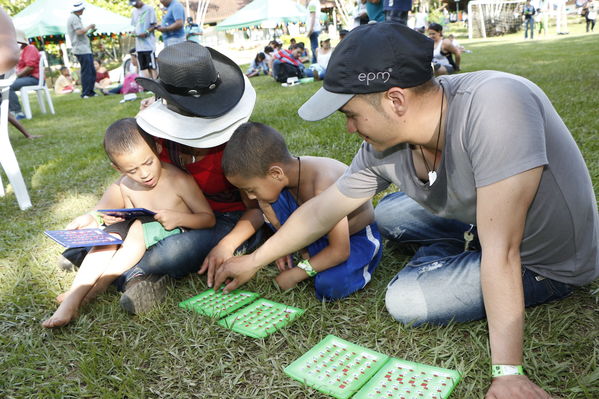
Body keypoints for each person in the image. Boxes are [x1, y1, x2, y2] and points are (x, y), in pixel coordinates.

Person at [214, 22, 598, 399]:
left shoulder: (499, 107)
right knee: (388, 215)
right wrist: (255, 261)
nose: (349, 128)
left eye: (350, 114)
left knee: (407, 300)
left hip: (545, 260)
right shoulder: (382, 146)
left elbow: (502, 252)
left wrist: (508, 373)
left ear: (395, 101)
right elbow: (321, 213)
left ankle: (448, 254)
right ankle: (458, 244)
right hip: (484, 221)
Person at [58, 41, 264, 315]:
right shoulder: (156, 141)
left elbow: (258, 211)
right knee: (125, 232)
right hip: (158, 219)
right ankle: (111, 265)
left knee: (172, 253)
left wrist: (225, 245)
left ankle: (126, 273)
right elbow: (126, 175)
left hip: (217, 220)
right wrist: (98, 214)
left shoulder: (236, 147)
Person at [43, 118, 215, 328]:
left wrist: (179, 217)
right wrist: (94, 218)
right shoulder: (125, 185)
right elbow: (100, 211)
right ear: (117, 168)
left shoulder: (179, 180)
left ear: (158, 149)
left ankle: (99, 285)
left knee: (136, 229)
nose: (144, 174)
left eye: (148, 162)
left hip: (171, 235)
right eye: (132, 170)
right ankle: (73, 298)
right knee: (110, 236)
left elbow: (208, 218)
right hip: (133, 239)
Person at [217, 122, 383, 300]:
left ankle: (356, 265)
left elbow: (340, 251)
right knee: (268, 198)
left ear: (275, 173)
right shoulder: (284, 178)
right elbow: (271, 207)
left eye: (251, 189)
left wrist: (296, 273)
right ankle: (308, 253)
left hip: (353, 239)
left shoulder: (322, 184)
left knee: (330, 284)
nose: (250, 197)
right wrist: (281, 248)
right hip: (318, 235)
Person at [8, 29, 40, 120]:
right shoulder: (19, 51)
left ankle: (18, 112)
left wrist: (16, 76)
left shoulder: (30, 48)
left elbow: (30, 67)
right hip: (25, 77)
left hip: (34, 78)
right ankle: (9, 112)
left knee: (8, 85)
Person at [67, 1, 96, 98]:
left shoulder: (75, 17)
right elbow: (79, 32)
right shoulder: (74, 18)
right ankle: (86, 93)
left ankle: (90, 91)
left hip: (84, 48)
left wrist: (89, 30)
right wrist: (89, 27)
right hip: (81, 49)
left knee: (91, 70)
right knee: (87, 71)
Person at [130, 0, 158, 80]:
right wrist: (133, 33)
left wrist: (146, 32)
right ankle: (149, 86)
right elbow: (134, 26)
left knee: (152, 67)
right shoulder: (134, 11)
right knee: (144, 67)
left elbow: (154, 25)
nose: (134, 6)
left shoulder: (149, 9)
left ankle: (156, 84)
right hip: (139, 46)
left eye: (135, 4)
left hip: (149, 45)